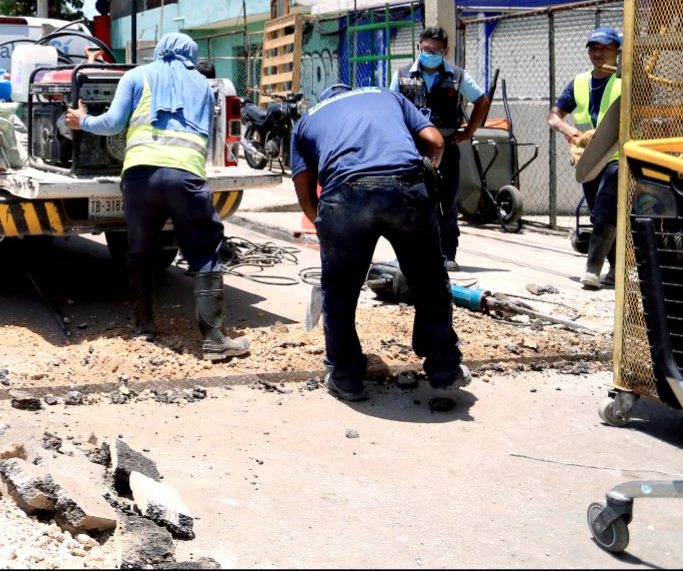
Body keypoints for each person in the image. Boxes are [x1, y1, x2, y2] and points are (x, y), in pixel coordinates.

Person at [67, 32, 249, 361]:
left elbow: (112, 124)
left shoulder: (136, 76)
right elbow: (205, 136)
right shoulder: (204, 87)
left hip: (140, 177)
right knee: (206, 255)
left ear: (160, 50)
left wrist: (82, 121)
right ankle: (214, 340)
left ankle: (143, 328)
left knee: (140, 251)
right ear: (191, 57)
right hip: (186, 177)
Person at [291, 84, 470, 401]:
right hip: (406, 185)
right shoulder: (386, 96)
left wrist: (333, 226)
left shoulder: (307, 120)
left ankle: (345, 376)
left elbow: (306, 200)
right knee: (429, 279)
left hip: (343, 193)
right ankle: (444, 367)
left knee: (340, 290)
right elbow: (435, 141)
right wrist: (424, 175)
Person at [391, 26, 489, 272]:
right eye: (426, 49)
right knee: (410, 201)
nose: (430, 53)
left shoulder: (457, 76)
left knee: (446, 199)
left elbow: (482, 101)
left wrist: (469, 132)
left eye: (435, 50)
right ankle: (408, 255)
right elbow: (389, 105)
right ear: (418, 48)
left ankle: (447, 254)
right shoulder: (401, 75)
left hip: (446, 148)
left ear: (445, 51)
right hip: (413, 150)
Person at [548, 27, 623, 289]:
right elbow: (554, 115)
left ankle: (593, 269)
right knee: (603, 212)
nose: (598, 53)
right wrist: (569, 131)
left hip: (619, 156)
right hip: (590, 160)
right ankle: (616, 270)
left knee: (604, 207)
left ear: (618, 51)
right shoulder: (579, 83)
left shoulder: (630, 80)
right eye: (593, 48)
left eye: (605, 48)